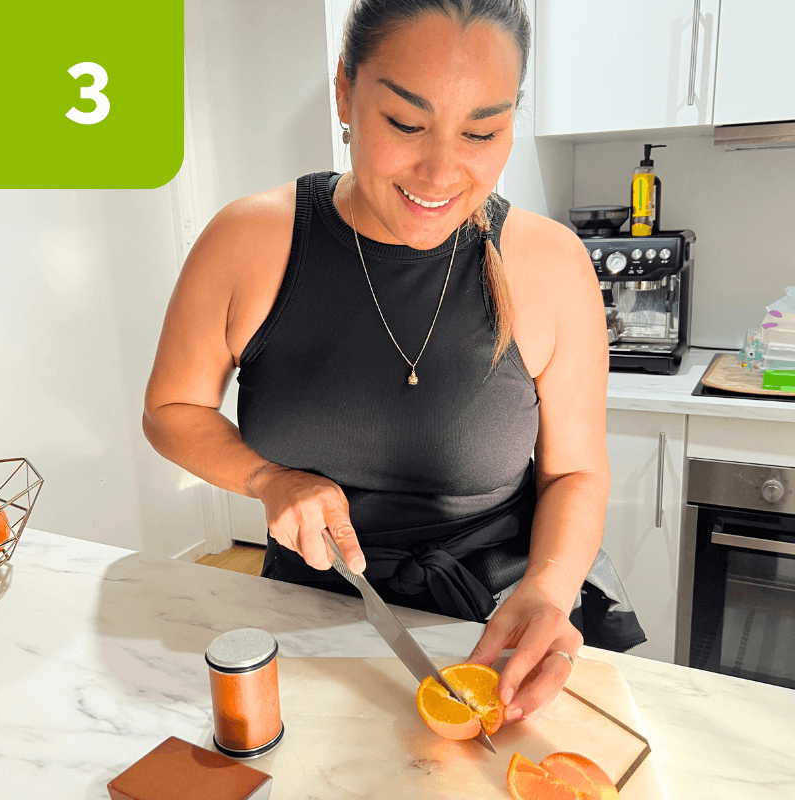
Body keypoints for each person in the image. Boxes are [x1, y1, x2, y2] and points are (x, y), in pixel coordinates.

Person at [143, 0, 610, 727]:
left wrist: (549, 589)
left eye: (481, 131)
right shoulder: (248, 240)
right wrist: (267, 479)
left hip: (497, 629)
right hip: (303, 615)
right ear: (345, 92)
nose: (442, 171)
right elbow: (172, 409)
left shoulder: (550, 264)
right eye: (405, 123)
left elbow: (575, 471)